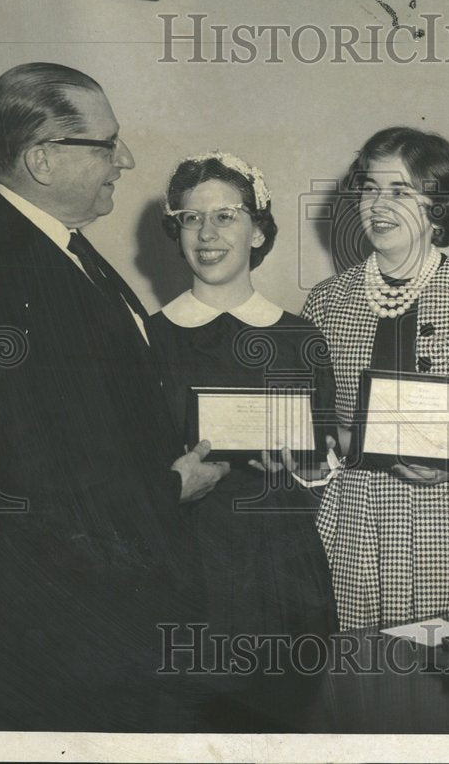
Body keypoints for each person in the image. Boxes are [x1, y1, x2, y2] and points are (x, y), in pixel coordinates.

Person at [0, 63, 227, 730]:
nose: (126, 159)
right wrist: (173, 487)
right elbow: (19, 469)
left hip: (119, 610)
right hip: (64, 628)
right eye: (106, 144)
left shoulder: (62, 250)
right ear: (42, 159)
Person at [302, 126, 449, 629]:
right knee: (363, 685)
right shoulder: (326, 301)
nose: (379, 205)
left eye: (399, 191)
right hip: (356, 521)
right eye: (370, 188)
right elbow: (314, 419)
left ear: (437, 203)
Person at [147, 152, 338, 689]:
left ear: (258, 231)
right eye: (191, 217)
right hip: (186, 573)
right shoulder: (147, 338)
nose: (207, 232)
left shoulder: (302, 339)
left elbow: (323, 460)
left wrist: (306, 470)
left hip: (285, 571)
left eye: (226, 215)